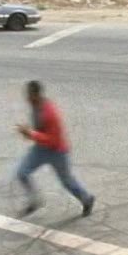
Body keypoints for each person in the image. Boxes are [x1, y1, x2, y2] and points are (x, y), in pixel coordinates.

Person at [15, 81, 95, 218]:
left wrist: (31, 134)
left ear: (36, 95)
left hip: (57, 151)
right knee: (22, 173)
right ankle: (34, 200)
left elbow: (54, 139)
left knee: (67, 181)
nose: (27, 98)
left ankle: (87, 199)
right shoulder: (35, 105)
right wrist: (29, 132)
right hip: (40, 149)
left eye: (29, 95)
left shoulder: (50, 113)